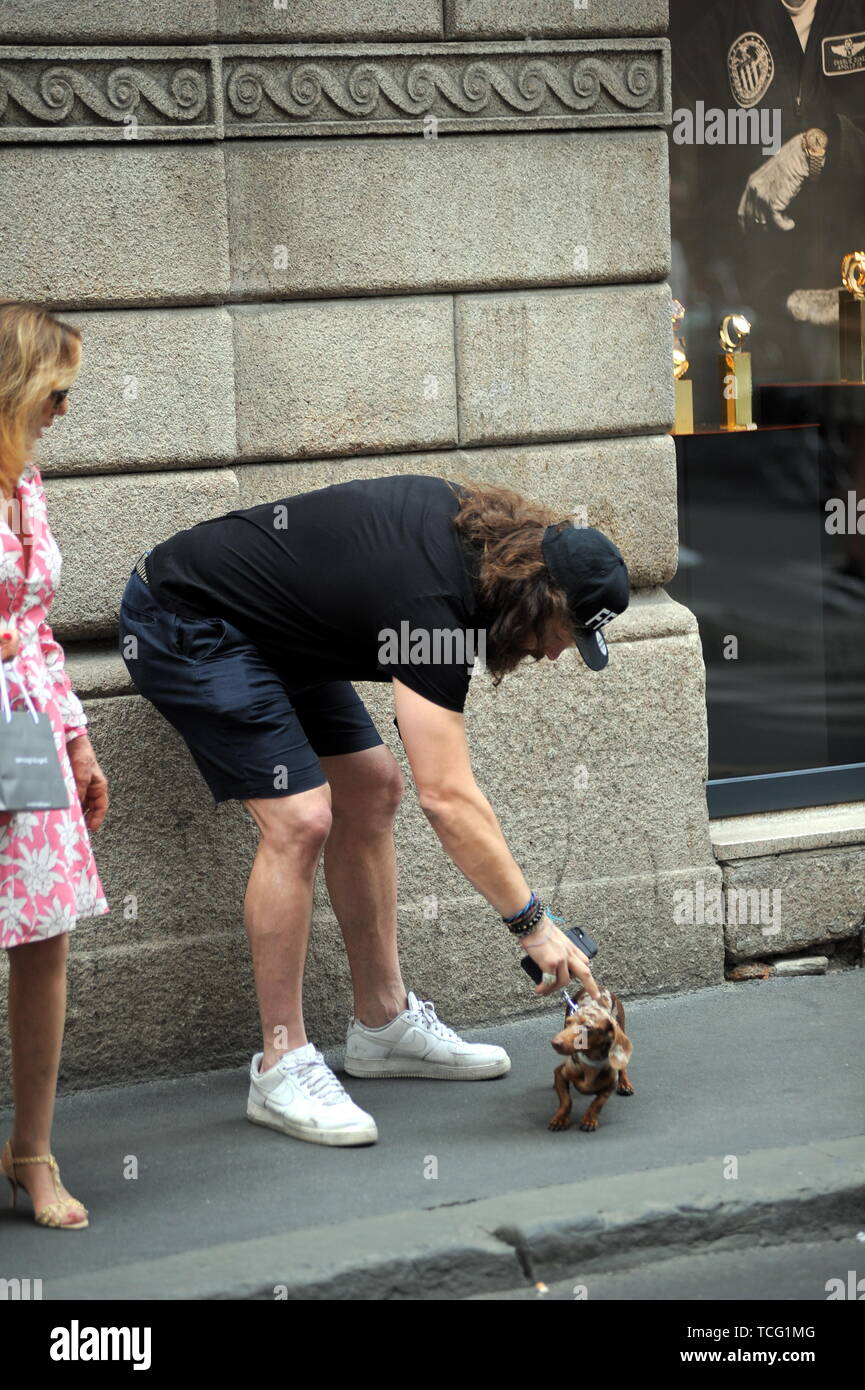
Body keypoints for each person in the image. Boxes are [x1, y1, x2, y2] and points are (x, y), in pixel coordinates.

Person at [118, 473, 629, 1147]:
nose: (557, 654)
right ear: (535, 598)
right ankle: (281, 1065)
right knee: (299, 819)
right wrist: (532, 923)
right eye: (564, 633)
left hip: (281, 634)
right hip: (187, 619)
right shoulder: (433, 605)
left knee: (371, 788)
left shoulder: (474, 550)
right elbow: (446, 795)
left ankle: (383, 1025)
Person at [0, 301, 110, 1227]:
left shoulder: (25, 485)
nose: (62, 411)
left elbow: (32, 625)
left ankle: (31, 1152)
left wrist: (73, 736)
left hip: (22, 727)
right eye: (57, 391)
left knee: (42, 938)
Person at [671, 0, 865, 391]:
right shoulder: (718, 23)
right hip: (757, 317)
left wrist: (819, 146)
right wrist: (762, 297)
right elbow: (686, 180)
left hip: (854, 300)